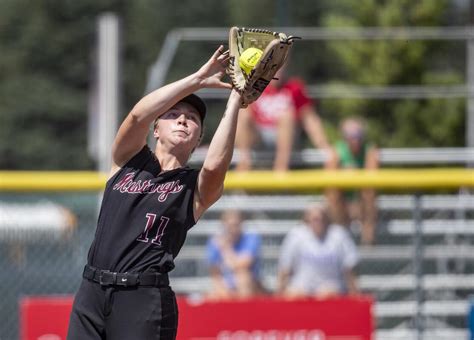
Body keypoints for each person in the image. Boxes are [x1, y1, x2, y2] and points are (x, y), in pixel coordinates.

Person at [67, 46, 242, 340]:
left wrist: (236, 99)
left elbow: (214, 167)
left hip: (142, 298)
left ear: (199, 138)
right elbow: (137, 116)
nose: (183, 119)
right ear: (156, 130)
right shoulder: (127, 160)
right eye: (173, 114)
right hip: (91, 292)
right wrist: (197, 79)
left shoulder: (193, 187)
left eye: (192, 118)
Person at [235, 63, 329, 171]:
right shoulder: (254, 88)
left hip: (287, 137)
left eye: (278, 67)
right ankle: (243, 165)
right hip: (259, 136)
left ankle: (281, 168)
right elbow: (243, 121)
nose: (276, 72)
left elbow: (310, 119)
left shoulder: (294, 88)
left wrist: (324, 147)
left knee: (286, 116)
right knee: (243, 112)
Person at [276, 203, 359, 299]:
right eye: (315, 219)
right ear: (307, 220)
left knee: (328, 294)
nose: (318, 222)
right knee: (293, 294)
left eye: (321, 219)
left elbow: (349, 268)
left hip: (332, 287)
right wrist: (279, 293)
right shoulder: (296, 235)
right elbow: (285, 268)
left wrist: (355, 293)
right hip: (301, 288)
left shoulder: (338, 235)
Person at [325, 117, 379, 245]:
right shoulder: (337, 150)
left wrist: (352, 174)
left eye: (358, 135)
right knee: (332, 191)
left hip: (362, 202)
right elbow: (329, 177)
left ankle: (367, 239)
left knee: (369, 190)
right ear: (344, 137)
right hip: (343, 202)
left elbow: (372, 175)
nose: (355, 139)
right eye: (351, 135)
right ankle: (341, 236)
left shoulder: (369, 149)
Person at [206, 209, 263, 300]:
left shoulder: (251, 238)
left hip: (250, 283)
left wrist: (226, 249)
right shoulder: (214, 242)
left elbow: (244, 264)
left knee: (243, 278)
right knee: (211, 296)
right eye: (230, 226)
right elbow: (215, 274)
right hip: (225, 284)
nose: (233, 229)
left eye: (236, 225)